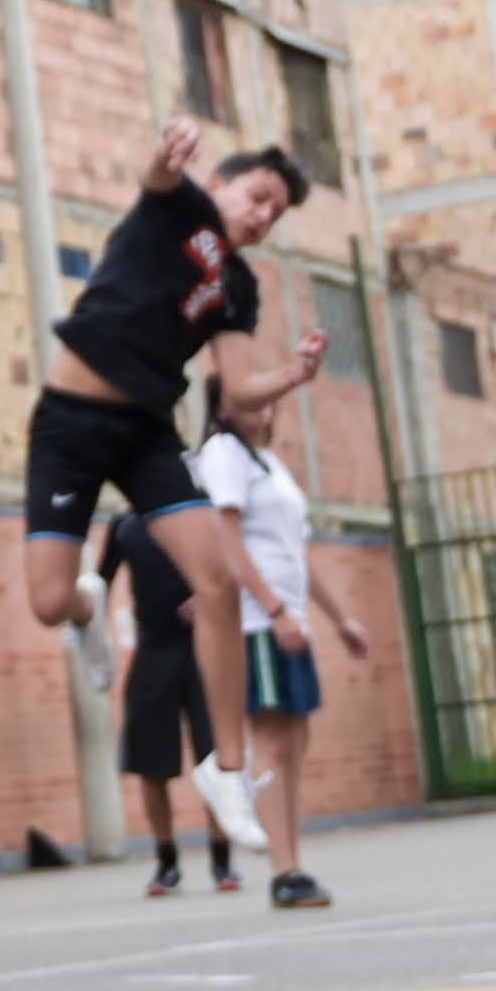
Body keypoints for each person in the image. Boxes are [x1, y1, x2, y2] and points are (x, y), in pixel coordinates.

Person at [13, 117, 332, 861]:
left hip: (148, 433)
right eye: (257, 197)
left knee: (216, 580)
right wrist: (162, 155)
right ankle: (88, 605)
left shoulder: (238, 288)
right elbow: (155, 177)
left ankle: (226, 769)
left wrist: (290, 375)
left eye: (276, 213)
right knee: (48, 602)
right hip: (70, 422)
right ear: (219, 186)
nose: (263, 216)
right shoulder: (179, 208)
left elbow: (237, 385)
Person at [196, 380, 372, 908]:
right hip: (258, 623)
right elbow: (226, 539)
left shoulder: (272, 464)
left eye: (265, 397)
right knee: (273, 739)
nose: (261, 406)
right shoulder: (224, 453)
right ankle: (283, 870)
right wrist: (273, 609)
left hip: (290, 621)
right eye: (247, 396)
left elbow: (298, 553)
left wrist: (340, 619)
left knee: (295, 743)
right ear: (223, 405)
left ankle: (292, 860)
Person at [99, 510, 234, 896]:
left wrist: (209, 596)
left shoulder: (195, 512)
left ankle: (222, 858)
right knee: (150, 762)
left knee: (215, 756)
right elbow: (100, 584)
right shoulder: (125, 525)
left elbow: (232, 564)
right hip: (153, 649)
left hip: (202, 646)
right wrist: (89, 635)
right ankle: (166, 860)